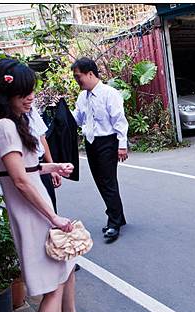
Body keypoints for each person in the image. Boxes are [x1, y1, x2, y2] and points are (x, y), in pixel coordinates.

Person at [0, 59, 99, 312]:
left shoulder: (9, 122)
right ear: (6, 94)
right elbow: (20, 181)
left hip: (36, 210)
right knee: (52, 287)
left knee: (63, 270)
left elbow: (24, 171)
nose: (32, 96)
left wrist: (53, 167)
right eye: (24, 92)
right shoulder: (6, 126)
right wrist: (54, 217)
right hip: (33, 215)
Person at [71, 57, 128, 242]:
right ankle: (118, 216)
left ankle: (114, 223)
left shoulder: (109, 93)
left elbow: (119, 120)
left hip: (107, 142)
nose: (77, 80)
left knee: (108, 181)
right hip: (91, 142)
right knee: (101, 182)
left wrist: (122, 145)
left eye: (78, 76)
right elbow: (78, 119)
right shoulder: (82, 97)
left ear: (90, 73)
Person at [28, 105, 61, 212]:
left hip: (41, 165)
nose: (30, 97)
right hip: (26, 168)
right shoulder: (6, 121)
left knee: (50, 206)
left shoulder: (30, 109)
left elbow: (42, 137)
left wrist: (52, 168)